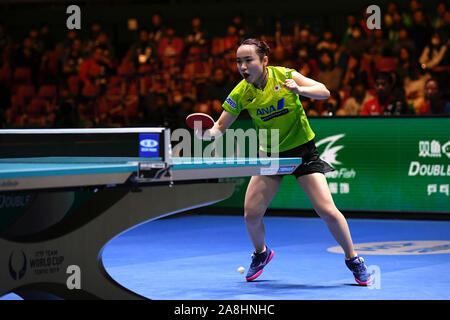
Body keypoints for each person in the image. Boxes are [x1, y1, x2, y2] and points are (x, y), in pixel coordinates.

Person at [196, 39, 372, 285]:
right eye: (239, 62)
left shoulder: (285, 75)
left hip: (303, 153)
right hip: (271, 156)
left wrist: (300, 90)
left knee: (328, 211)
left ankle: (353, 259)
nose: (243, 67)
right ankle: (261, 253)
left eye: (249, 60)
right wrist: (206, 134)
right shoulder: (241, 92)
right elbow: (220, 126)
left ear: (264, 60)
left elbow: (324, 91)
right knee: (251, 214)